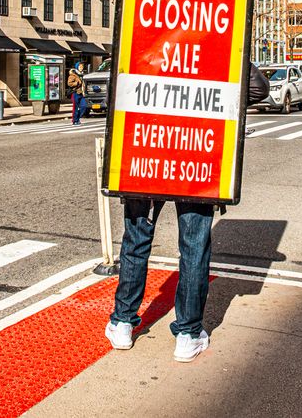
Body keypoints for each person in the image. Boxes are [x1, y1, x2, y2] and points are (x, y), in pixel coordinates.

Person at [105, 63, 270, 362]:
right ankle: (188, 333)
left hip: (147, 152)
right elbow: (259, 88)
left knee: (136, 241)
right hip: (195, 156)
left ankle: (123, 322)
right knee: (194, 248)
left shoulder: (146, 39)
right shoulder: (214, 44)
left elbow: (114, 94)